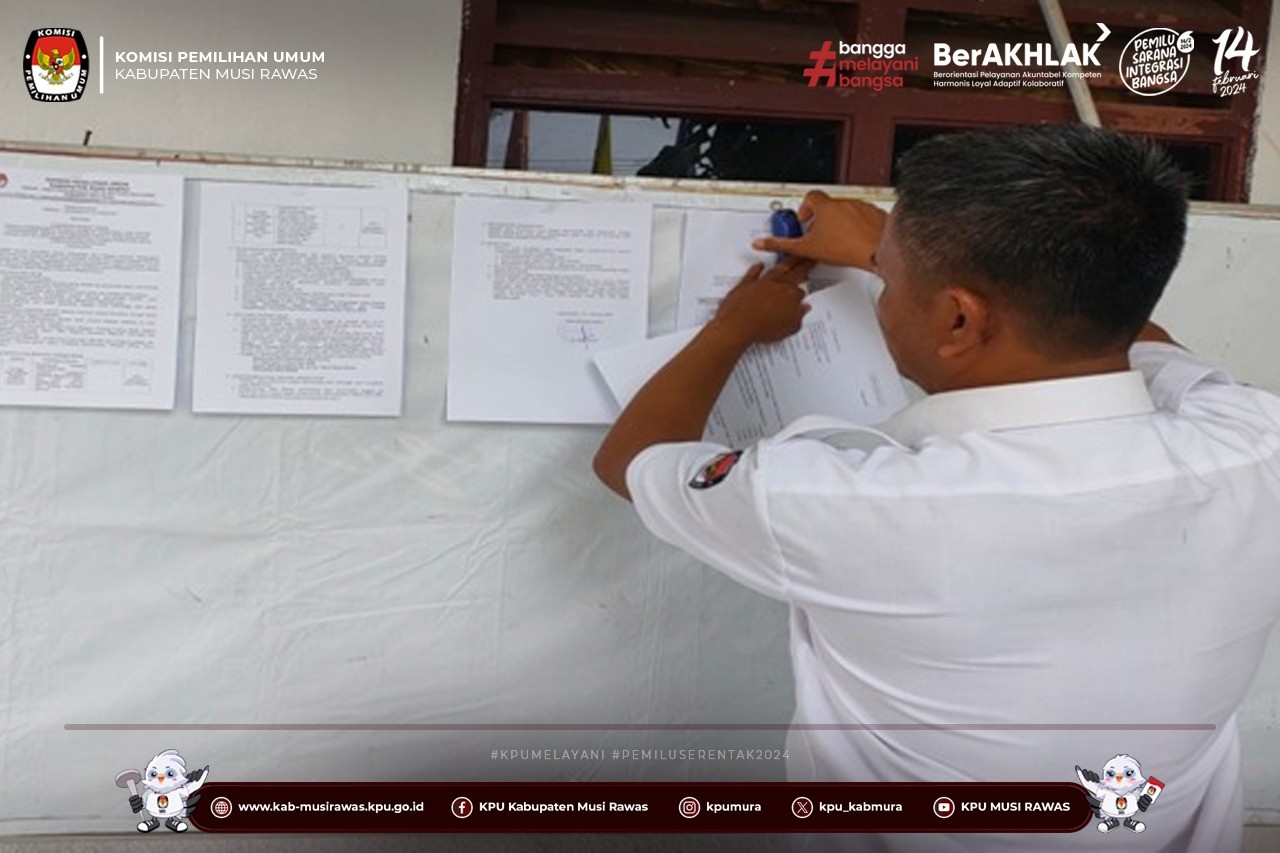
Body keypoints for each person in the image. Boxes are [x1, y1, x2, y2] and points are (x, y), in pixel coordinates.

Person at [592, 125, 1280, 852]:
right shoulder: (1256, 444)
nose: (881, 288)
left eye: (886, 279)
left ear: (958, 318)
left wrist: (732, 329)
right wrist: (896, 249)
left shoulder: (855, 505)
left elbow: (634, 458)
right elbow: (1140, 335)